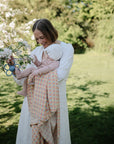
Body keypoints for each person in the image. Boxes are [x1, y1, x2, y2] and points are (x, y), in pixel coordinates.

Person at [11, 18, 74, 144]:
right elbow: (21, 80)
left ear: (50, 32)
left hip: (54, 100)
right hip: (33, 103)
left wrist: (35, 73)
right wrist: (14, 68)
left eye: (42, 37)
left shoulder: (66, 49)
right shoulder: (36, 51)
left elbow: (60, 75)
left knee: (55, 136)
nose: (40, 42)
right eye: (37, 39)